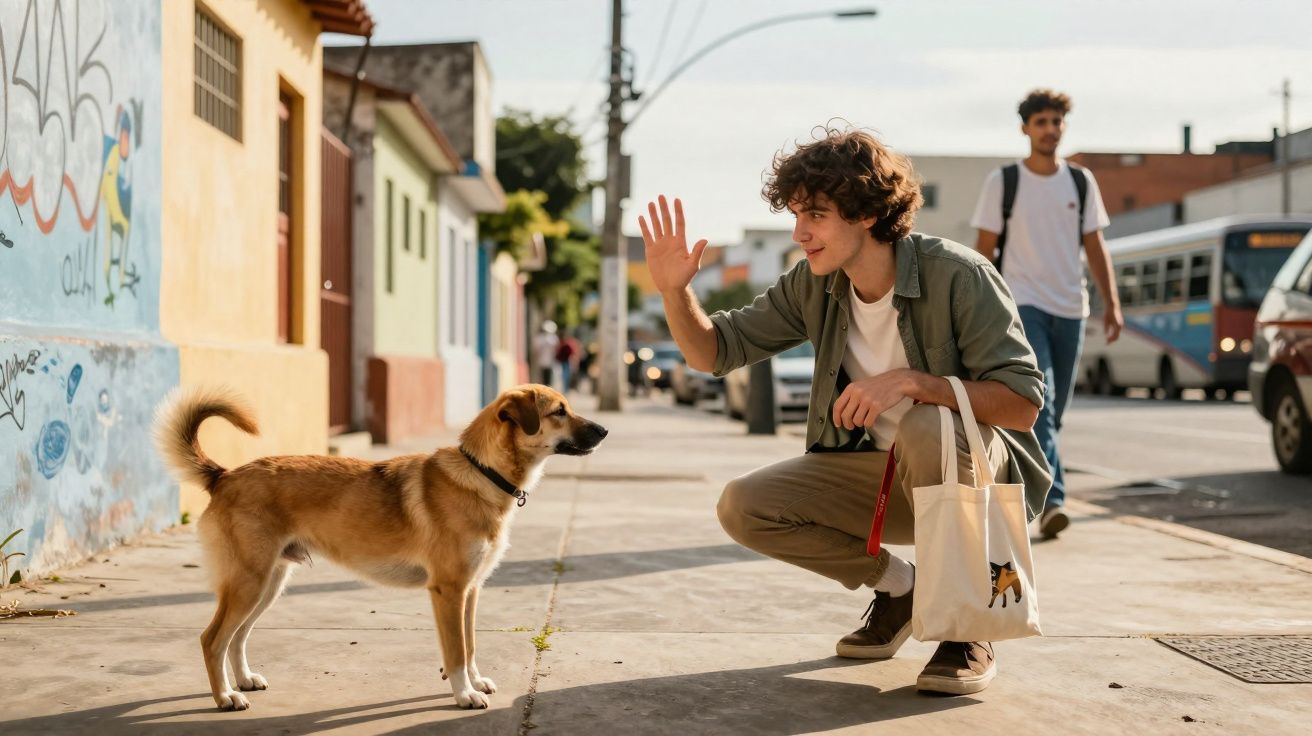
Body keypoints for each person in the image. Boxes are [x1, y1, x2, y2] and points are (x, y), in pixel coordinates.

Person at [639, 127, 1050, 696]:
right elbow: (715, 351)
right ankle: (900, 590)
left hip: (967, 476)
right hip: (880, 483)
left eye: (816, 215)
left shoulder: (959, 275)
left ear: (865, 213)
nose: (800, 232)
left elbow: (1023, 405)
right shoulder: (813, 283)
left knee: (926, 423)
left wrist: (911, 382)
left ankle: (966, 628)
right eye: (795, 214)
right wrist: (673, 292)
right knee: (746, 505)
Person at [970, 89, 1123, 541]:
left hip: (1071, 308)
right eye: (1041, 122)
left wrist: (1112, 302)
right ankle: (1054, 500)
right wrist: (981, 309)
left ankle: (1023, 484)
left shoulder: (1080, 181)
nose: (1050, 129)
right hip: (1022, 306)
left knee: (1054, 414)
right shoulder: (1004, 182)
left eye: (1056, 122)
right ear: (1025, 128)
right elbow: (983, 250)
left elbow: (1095, 246)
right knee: (1043, 403)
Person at [532, 320, 559, 388]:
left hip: (545, 362)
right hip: (546, 362)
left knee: (544, 378)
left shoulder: (540, 338)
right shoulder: (552, 339)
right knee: (546, 379)